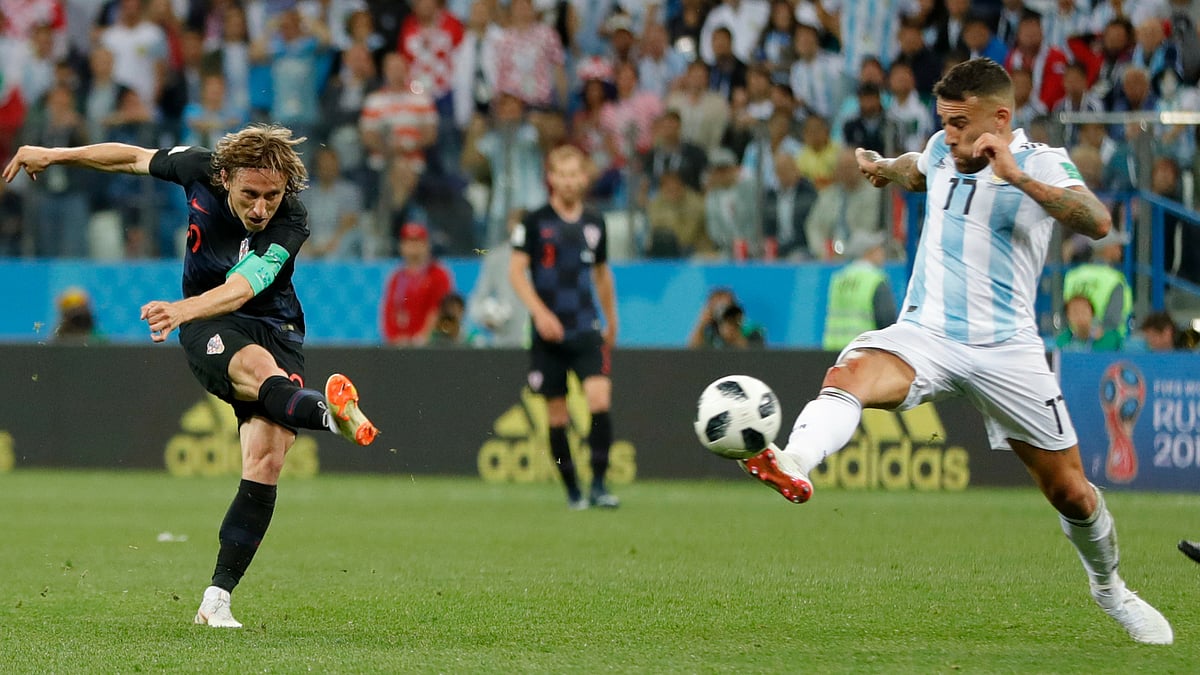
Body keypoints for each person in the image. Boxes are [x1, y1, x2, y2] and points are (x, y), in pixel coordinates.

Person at [732, 58, 1172, 645]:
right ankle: (794, 461)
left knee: (1071, 492)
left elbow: (1096, 220)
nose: (950, 134)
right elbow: (919, 168)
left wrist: (1016, 177)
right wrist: (883, 168)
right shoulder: (943, 149)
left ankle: (1110, 588)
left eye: (961, 123)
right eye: (944, 122)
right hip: (928, 334)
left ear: (1000, 118)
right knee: (852, 373)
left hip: (1008, 350)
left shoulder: (1039, 161)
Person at [3, 124, 380, 629]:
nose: (261, 209)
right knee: (258, 370)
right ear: (226, 178)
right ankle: (330, 417)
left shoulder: (292, 219)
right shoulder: (198, 167)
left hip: (273, 323)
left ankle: (216, 600)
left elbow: (246, 285)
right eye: (250, 195)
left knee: (266, 459)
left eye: (271, 196)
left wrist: (181, 308)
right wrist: (55, 154)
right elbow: (130, 158)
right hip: (209, 324)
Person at [508, 145, 620, 510]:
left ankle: (599, 485)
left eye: (575, 174)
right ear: (551, 178)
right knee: (557, 415)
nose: (569, 181)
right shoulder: (534, 221)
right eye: (563, 174)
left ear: (584, 178)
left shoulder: (594, 222)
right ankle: (573, 490)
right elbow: (516, 272)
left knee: (599, 399)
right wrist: (540, 314)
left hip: (585, 326)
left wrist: (611, 318)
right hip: (548, 334)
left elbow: (601, 274)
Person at [380, 222, 454, 347]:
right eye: (409, 242)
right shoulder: (396, 277)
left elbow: (438, 310)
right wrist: (394, 339)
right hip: (400, 344)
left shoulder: (438, 274)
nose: (413, 247)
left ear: (426, 245)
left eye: (417, 242)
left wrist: (420, 339)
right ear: (401, 246)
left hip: (428, 346)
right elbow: (388, 311)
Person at [821, 230, 896, 351]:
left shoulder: (839, 279)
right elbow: (887, 320)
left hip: (834, 350)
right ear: (868, 252)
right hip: (864, 349)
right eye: (878, 249)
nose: (882, 253)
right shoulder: (875, 280)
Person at [1054, 295, 1123, 352]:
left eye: (1083, 311)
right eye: (1075, 311)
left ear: (1092, 314)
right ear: (1068, 316)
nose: (1080, 315)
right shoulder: (1063, 341)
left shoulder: (1111, 338)